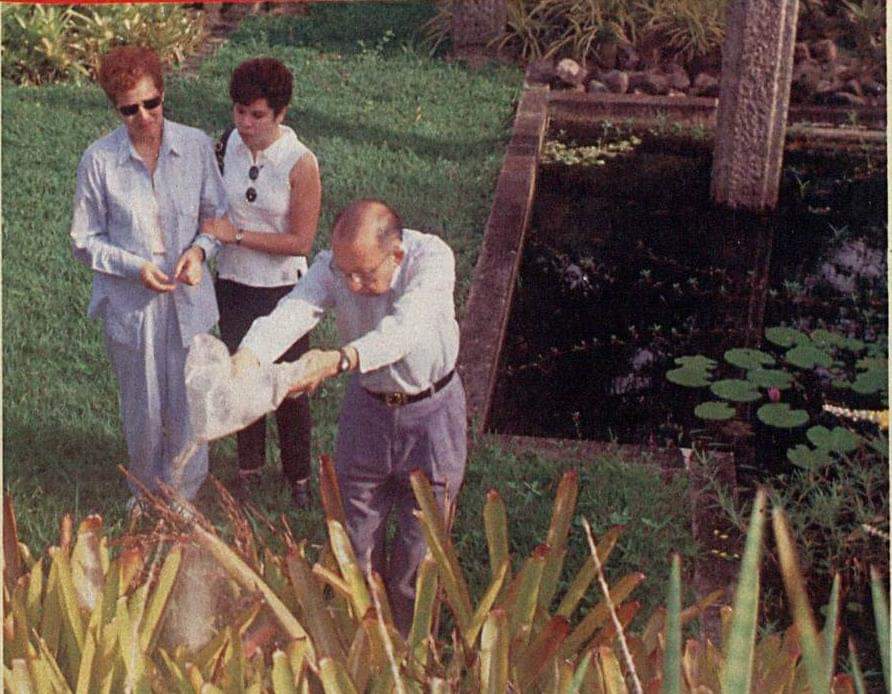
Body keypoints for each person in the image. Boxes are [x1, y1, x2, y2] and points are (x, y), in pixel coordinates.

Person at [233, 199, 467, 634]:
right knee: (355, 539)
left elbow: (404, 330)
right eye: (345, 275)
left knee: (421, 551)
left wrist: (340, 359)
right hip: (368, 409)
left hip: (432, 414)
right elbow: (295, 309)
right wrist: (248, 356)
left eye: (365, 274)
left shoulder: (432, 262)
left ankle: (415, 656)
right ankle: (360, 646)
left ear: (396, 255)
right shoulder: (335, 265)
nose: (352, 285)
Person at [70, 46, 226, 510]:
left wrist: (201, 251)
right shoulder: (99, 161)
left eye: (151, 103)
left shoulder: (195, 146)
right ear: (115, 108)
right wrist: (134, 267)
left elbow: (216, 216)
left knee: (190, 400)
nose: (143, 116)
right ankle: (144, 491)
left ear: (163, 93)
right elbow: (84, 239)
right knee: (143, 406)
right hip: (132, 302)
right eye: (129, 109)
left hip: (188, 293)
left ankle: (184, 496)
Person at [201, 57, 321, 506]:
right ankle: (249, 470)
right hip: (232, 283)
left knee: (289, 386)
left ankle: (299, 479)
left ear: (280, 114)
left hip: (283, 290)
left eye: (257, 115)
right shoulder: (226, 144)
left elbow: (301, 240)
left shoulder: (300, 162)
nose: (245, 123)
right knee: (241, 378)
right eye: (239, 111)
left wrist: (238, 236)